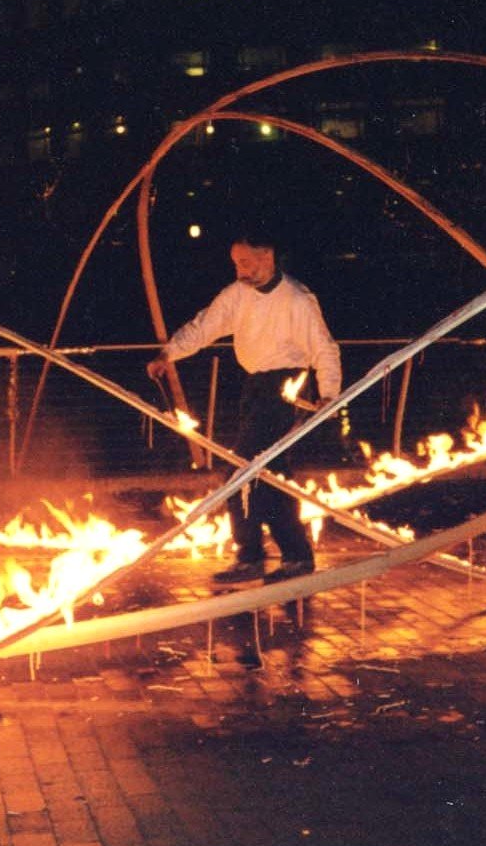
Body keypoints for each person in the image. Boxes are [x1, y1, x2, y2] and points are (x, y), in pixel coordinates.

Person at [147, 226, 342, 584]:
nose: (241, 270)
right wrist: (168, 353)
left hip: (286, 390)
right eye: (237, 263)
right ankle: (289, 556)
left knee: (243, 472)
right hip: (254, 388)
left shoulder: (298, 299)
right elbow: (205, 326)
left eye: (247, 263)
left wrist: (329, 394)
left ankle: (255, 555)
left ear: (268, 256)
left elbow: (324, 348)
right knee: (269, 475)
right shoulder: (238, 295)